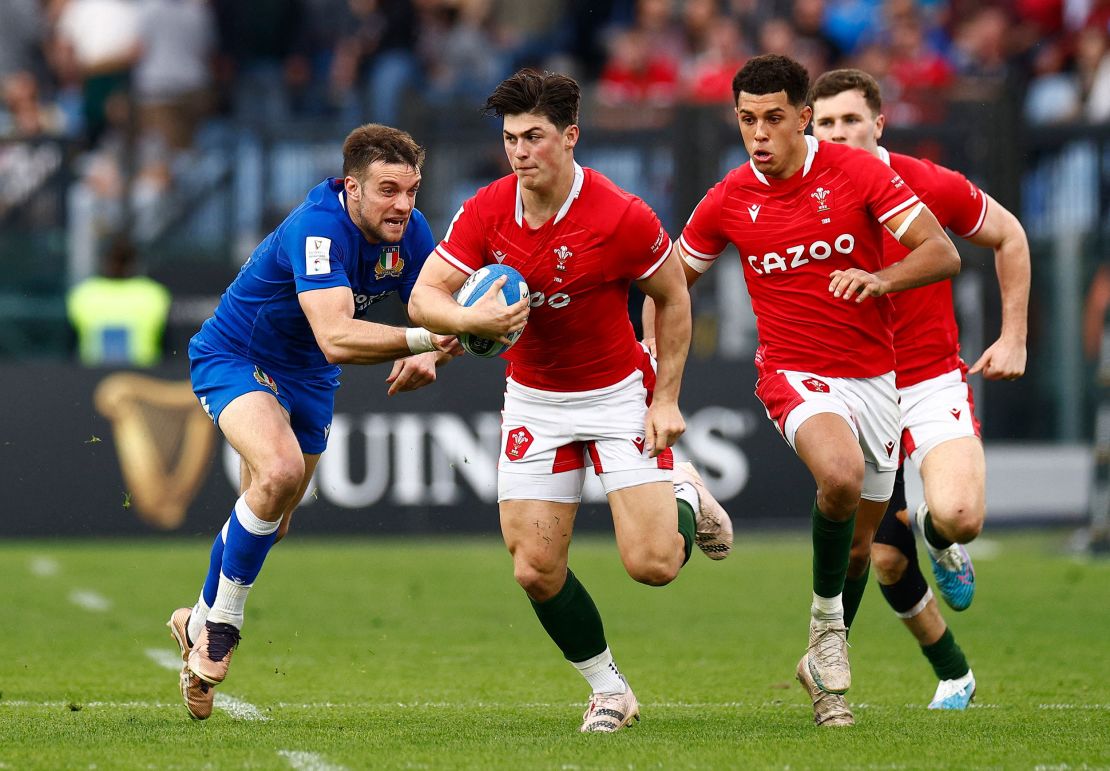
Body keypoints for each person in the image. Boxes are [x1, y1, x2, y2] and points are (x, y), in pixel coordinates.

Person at [407, 69, 733, 734]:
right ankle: (610, 689)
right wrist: (458, 329)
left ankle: (686, 492)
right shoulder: (487, 209)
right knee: (533, 569)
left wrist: (666, 398)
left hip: (618, 394)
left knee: (654, 564)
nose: (520, 151)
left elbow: (672, 296)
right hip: (534, 399)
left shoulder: (620, 214)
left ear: (571, 136)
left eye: (534, 136)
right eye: (509, 138)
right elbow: (424, 295)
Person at [651, 54, 960, 727]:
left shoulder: (859, 173)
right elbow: (668, 283)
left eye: (771, 118)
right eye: (746, 120)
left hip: (877, 378)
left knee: (859, 548)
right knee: (840, 475)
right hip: (794, 372)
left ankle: (820, 662)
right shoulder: (730, 196)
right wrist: (658, 379)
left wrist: (882, 279)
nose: (758, 133)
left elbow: (943, 252)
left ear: (802, 117)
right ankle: (828, 633)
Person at [165, 123, 460, 720]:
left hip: (311, 382)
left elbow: (441, 310)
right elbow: (335, 336)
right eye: (387, 190)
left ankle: (195, 617)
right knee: (277, 470)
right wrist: (425, 338)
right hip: (238, 357)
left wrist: (433, 348)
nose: (403, 205)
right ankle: (221, 627)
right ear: (352, 187)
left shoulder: (413, 233)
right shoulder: (318, 227)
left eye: (411, 190)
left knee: (273, 521)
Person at [810, 67, 1030, 712]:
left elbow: (1009, 235)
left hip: (930, 378)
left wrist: (1012, 335)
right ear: (809, 129)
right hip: (854, 388)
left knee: (959, 519)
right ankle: (948, 674)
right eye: (826, 122)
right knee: (875, 558)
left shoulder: (923, 182)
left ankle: (937, 536)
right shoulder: (800, 195)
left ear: (879, 124)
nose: (839, 132)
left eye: (852, 119)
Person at [66, 235, 171, 367]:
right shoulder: (154, 294)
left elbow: (69, 349)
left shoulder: (83, 294)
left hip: (90, 377)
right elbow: (167, 347)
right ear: (134, 263)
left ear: (103, 261)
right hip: (143, 378)